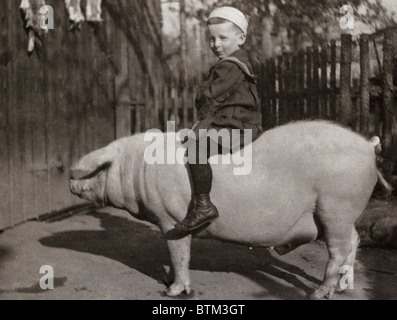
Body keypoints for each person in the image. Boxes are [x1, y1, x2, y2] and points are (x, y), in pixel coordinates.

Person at [174, 6, 263, 232]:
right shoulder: (235, 62)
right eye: (211, 39)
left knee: (195, 149)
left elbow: (211, 97)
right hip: (234, 121)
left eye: (223, 38)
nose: (216, 45)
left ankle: (203, 205)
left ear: (241, 38)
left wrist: (200, 114)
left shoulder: (230, 66)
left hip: (237, 125)